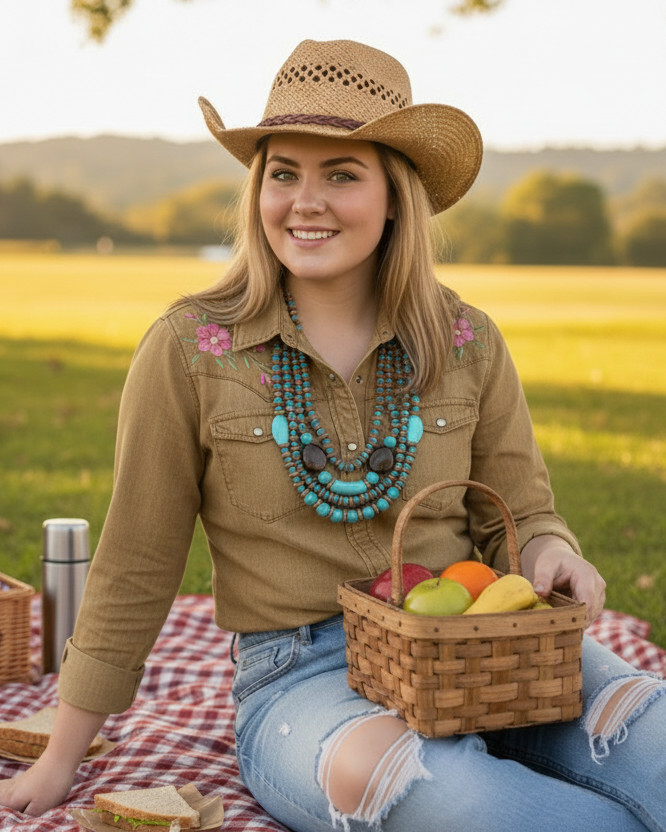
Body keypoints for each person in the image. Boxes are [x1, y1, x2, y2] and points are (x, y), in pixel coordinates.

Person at [1, 38, 664, 832]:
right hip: (299, 680)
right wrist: (60, 757)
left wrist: (552, 549)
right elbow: (135, 563)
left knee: (650, 737)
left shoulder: (467, 340)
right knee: (476, 805)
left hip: (483, 652)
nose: (303, 201)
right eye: (283, 172)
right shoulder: (190, 347)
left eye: (341, 174)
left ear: (395, 197)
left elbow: (519, 513)